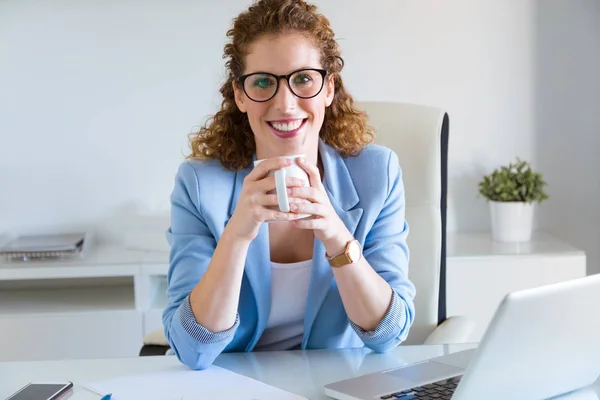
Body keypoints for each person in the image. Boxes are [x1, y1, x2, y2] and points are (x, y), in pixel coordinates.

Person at [162, 0, 416, 370]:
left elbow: (388, 335)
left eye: (303, 79)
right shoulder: (201, 185)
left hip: (333, 386)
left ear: (328, 89)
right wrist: (236, 235)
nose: (285, 103)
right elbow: (192, 350)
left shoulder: (377, 174)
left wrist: (335, 236)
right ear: (240, 94)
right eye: (263, 82)